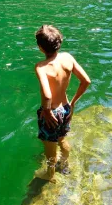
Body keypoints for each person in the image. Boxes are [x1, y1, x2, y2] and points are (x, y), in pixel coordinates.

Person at [33, 25, 91, 181]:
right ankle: (65, 165)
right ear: (59, 43)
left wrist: (46, 110)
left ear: (40, 47)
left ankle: (49, 174)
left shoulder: (41, 67)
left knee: (50, 147)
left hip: (51, 113)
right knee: (62, 139)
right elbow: (86, 81)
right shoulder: (68, 58)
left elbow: (46, 94)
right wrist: (72, 103)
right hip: (65, 109)